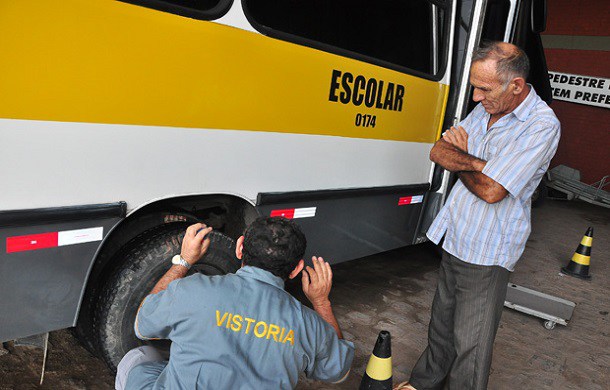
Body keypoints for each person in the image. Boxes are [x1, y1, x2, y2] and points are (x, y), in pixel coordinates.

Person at [395, 42, 560, 390]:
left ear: (515, 85)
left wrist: (464, 157)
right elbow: (439, 150)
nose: (474, 97)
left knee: (471, 342)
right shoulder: (487, 108)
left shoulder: (541, 125)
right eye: (475, 86)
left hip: (487, 251)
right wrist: (477, 163)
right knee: (441, 325)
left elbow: (493, 192)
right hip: (456, 235)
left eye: (483, 88)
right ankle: (424, 383)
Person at [115, 216, 354, 389]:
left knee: (139, 358)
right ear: (296, 270)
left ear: (240, 248)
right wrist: (322, 302)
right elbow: (337, 371)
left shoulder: (193, 289)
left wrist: (183, 262)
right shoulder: (307, 324)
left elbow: (143, 324)